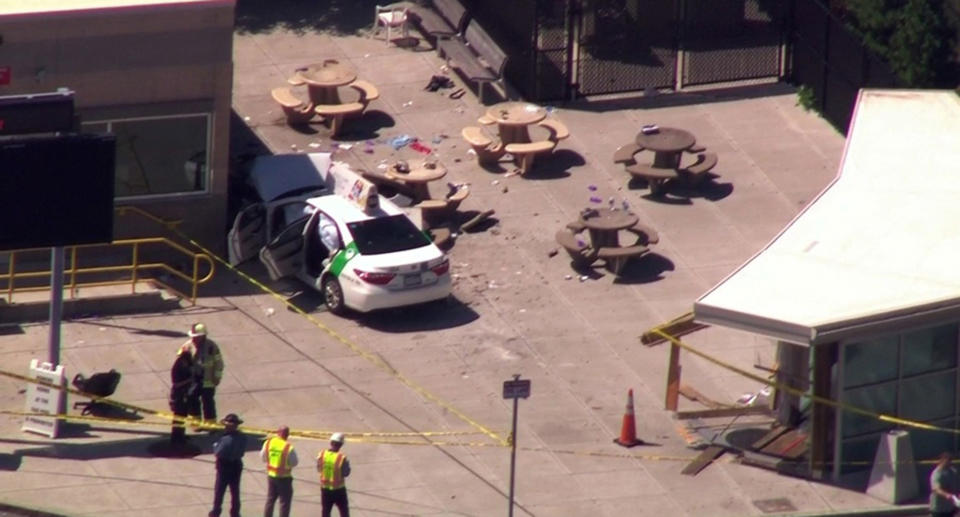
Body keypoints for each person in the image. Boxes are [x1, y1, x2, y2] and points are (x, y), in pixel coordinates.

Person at [181, 322, 224, 426]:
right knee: (192, 399)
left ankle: (211, 423)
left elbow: (219, 363)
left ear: (203, 336)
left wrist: (217, 377)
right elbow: (180, 362)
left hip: (208, 381)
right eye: (193, 337)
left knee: (208, 402)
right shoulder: (187, 346)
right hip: (193, 381)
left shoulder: (212, 346)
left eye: (197, 337)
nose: (194, 339)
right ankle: (196, 423)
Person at [210, 413, 246, 517]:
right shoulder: (242, 437)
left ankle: (215, 512)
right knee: (235, 491)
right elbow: (242, 452)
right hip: (237, 466)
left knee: (219, 492)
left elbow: (218, 452)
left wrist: (215, 445)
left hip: (224, 468)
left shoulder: (226, 440)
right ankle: (235, 513)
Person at [261, 425, 298, 517]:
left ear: (277, 433)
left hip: (271, 476)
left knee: (270, 500)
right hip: (284, 479)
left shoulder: (268, 443)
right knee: (284, 503)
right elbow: (294, 462)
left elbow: (263, 458)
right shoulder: (288, 447)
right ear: (287, 435)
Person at [317, 432, 351, 517]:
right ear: (340, 445)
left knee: (325, 511)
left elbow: (319, 468)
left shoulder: (322, 454)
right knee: (344, 512)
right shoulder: (341, 458)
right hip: (339, 490)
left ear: (331, 442)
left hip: (325, 489)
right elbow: (346, 473)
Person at [168, 345, 195, 446]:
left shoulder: (188, 363)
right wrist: (189, 380)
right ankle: (176, 437)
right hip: (179, 395)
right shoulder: (178, 367)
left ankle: (181, 435)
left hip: (186, 394)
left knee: (183, 415)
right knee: (178, 417)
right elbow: (176, 384)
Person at [931, 451, 960, 517]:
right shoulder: (937, 473)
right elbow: (936, 489)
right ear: (941, 461)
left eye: (950, 460)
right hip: (939, 509)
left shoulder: (953, 472)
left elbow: (957, 485)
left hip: (950, 508)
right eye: (947, 461)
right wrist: (946, 495)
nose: (949, 463)